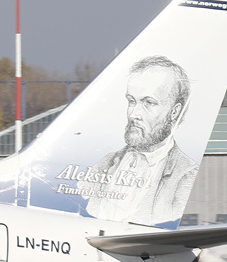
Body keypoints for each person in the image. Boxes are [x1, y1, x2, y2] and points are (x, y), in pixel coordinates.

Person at [79, 55, 198, 225]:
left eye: (148, 103)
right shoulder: (106, 163)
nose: (134, 114)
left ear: (174, 112)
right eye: (131, 101)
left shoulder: (185, 174)